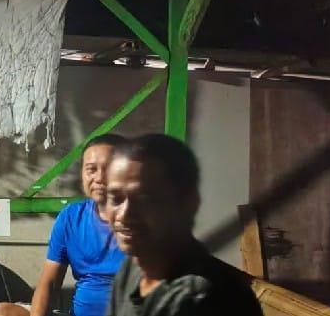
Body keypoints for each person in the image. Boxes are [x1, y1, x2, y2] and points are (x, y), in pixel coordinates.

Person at [106, 134, 262, 316]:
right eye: (115, 199)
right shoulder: (132, 268)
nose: (124, 215)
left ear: (188, 203)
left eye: (144, 200)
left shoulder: (201, 298)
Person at [0, 134, 126, 316]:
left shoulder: (141, 220)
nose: (99, 177)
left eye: (108, 168)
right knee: (3, 312)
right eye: (91, 169)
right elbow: (50, 283)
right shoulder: (71, 217)